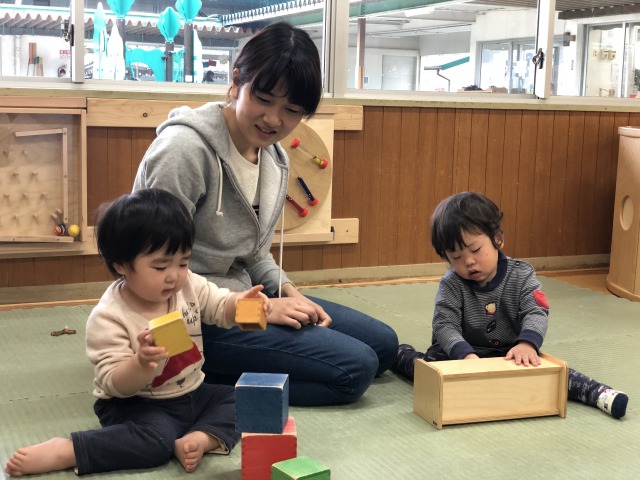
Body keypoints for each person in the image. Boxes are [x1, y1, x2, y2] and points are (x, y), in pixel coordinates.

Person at [132, 21, 398, 406]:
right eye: (264, 99)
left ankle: (228, 364)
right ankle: (190, 377)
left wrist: (287, 291)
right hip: (186, 315)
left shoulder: (274, 158)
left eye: (291, 110)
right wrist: (263, 308)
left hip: (245, 298)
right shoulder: (184, 150)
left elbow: (255, 254)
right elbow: (153, 268)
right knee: (355, 370)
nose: (273, 119)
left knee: (384, 346)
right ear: (236, 81)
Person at [5, 189, 270, 477]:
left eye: (183, 262)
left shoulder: (188, 286)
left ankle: (200, 438)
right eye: (160, 266)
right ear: (121, 264)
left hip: (193, 391)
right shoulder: (109, 316)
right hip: (136, 404)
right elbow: (114, 383)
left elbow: (219, 304)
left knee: (249, 399)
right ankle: (70, 450)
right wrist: (142, 363)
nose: (174, 275)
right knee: (155, 442)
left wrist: (241, 305)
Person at [392, 191, 629, 419]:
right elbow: (444, 325)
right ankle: (399, 354)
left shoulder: (522, 274)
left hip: (509, 353)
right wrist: (464, 355)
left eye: (475, 250)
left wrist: (527, 344)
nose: (469, 261)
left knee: (551, 373)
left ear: (498, 238)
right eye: (456, 257)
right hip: (459, 354)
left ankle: (600, 394)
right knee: (428, 373)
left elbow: (536, 311)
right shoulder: (452, 283)